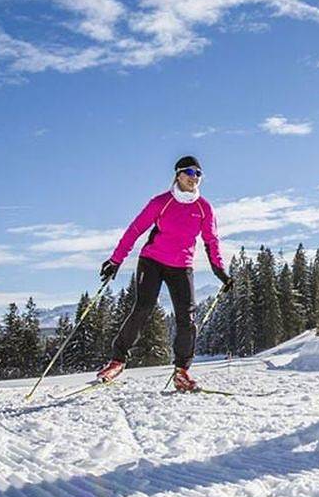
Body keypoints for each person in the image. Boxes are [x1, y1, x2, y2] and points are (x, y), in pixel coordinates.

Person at [95, 155, 233, 391]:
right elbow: (135, 230)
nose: (194, 178)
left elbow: (211, 241)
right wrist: (115, 260)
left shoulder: (204, 208)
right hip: (152, 261)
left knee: (187, 319)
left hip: (182, 266)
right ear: (178, 174)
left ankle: (182, 372)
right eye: (190, 172)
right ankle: (117, 360)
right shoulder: (162, 202)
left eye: (198, 174)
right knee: (143, 307)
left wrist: (219, 270)